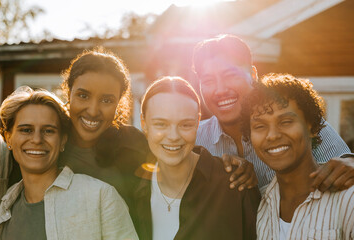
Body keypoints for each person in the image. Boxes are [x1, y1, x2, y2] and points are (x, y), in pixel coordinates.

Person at [192, 34, 354, 190]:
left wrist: (350, 162)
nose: (220, 90)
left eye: (230, 75)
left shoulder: (298, 125)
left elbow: (344, 164)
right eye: (208, 81)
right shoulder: (193, 140)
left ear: (253, 75)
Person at [8, 49, 150, 209]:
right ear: (69, 93)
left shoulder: (134, 145)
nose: (93, 111)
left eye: (106, 100)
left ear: (119, 103)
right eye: (83, 96)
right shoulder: (44, 142)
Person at [0, 87, 138, 239]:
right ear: (8, 138)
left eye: (48, 131)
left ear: (63, 140)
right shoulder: (4, 207)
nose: (37, 140)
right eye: (26, 130)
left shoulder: (100, 197)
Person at [132, 76, 260, 240]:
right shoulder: (134, 189)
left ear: (198, 122)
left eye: (185, 125)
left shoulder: (235, 184)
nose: (173, 136)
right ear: (144, 124)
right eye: (161, 124)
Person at [241, 73, 354, 239]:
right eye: (259, 126)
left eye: (286, 122)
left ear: (312, 127)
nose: (272, 135)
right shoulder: (261, 205)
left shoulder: (348, 197)